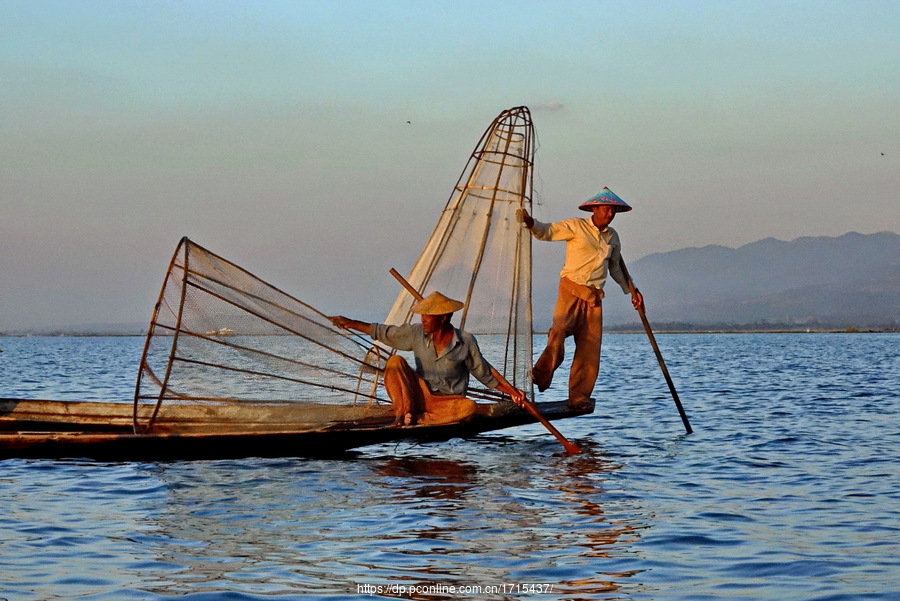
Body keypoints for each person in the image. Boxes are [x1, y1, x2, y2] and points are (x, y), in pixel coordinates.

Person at [518, 187, 644, 407]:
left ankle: (579, 395)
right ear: (594, 209)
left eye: (613, 210)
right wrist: (530, 223)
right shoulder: (576, 227)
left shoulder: (612, 237)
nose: (610, 214)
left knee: (589, 348)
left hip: (595, 297)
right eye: (606, 209)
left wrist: (632, 291)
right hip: (572, 289)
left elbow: (615, 267)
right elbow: (548, 231)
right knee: (558, 332)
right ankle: (541, 373)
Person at [330, 291, 526, 427]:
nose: (423, 319)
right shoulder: (417, 333)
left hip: (446, 402)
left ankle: (420, 418)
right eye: (422, 315)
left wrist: (512, 392)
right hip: (419, 395)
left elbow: (485, 374)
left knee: (469, 407)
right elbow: (384, 332)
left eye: (427, 315)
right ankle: (403, 414)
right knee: (394, 363)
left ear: (443, 318)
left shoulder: (465, 341)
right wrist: (350, 323)